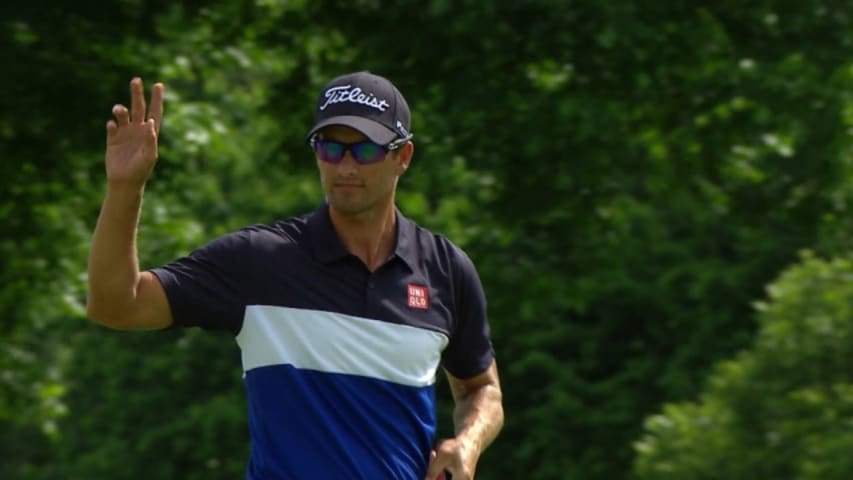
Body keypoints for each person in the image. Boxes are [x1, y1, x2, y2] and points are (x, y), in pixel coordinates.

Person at [86, 71, 504, 480]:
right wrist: (125, 188)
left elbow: (481, 389)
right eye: (329, 148)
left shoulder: (446, 270)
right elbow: (117, 305)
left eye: (364, 150)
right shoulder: (261, 261)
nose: (344, 166)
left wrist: (465, 445)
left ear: (403, 157)